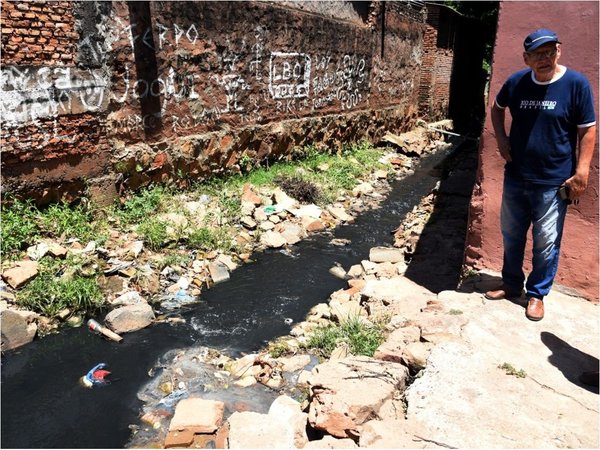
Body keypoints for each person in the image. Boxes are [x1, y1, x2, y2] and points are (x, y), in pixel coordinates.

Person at [485, 28, 597, 321]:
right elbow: (496, 109)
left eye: (550, 52)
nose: (545, 58)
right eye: (538, 54)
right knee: (511, 234)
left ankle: (536, 294)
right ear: (526, 58)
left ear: (559, 51)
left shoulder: (575, 84)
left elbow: (587, 130)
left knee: (546, 240)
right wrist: (501, 139)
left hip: (553, 181)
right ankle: (511, 284)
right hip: (517, 175)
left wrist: (582, 171)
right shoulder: (517, 82)